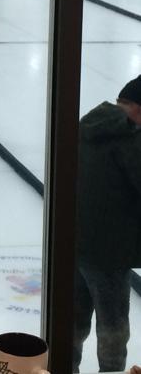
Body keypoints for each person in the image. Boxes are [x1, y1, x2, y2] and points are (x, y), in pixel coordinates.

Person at [73, 75, 141, 373]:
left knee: (71, 321)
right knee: (113, 328)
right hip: (110, 254)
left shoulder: (87, 127)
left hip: (74, 241)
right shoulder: (130, 139)